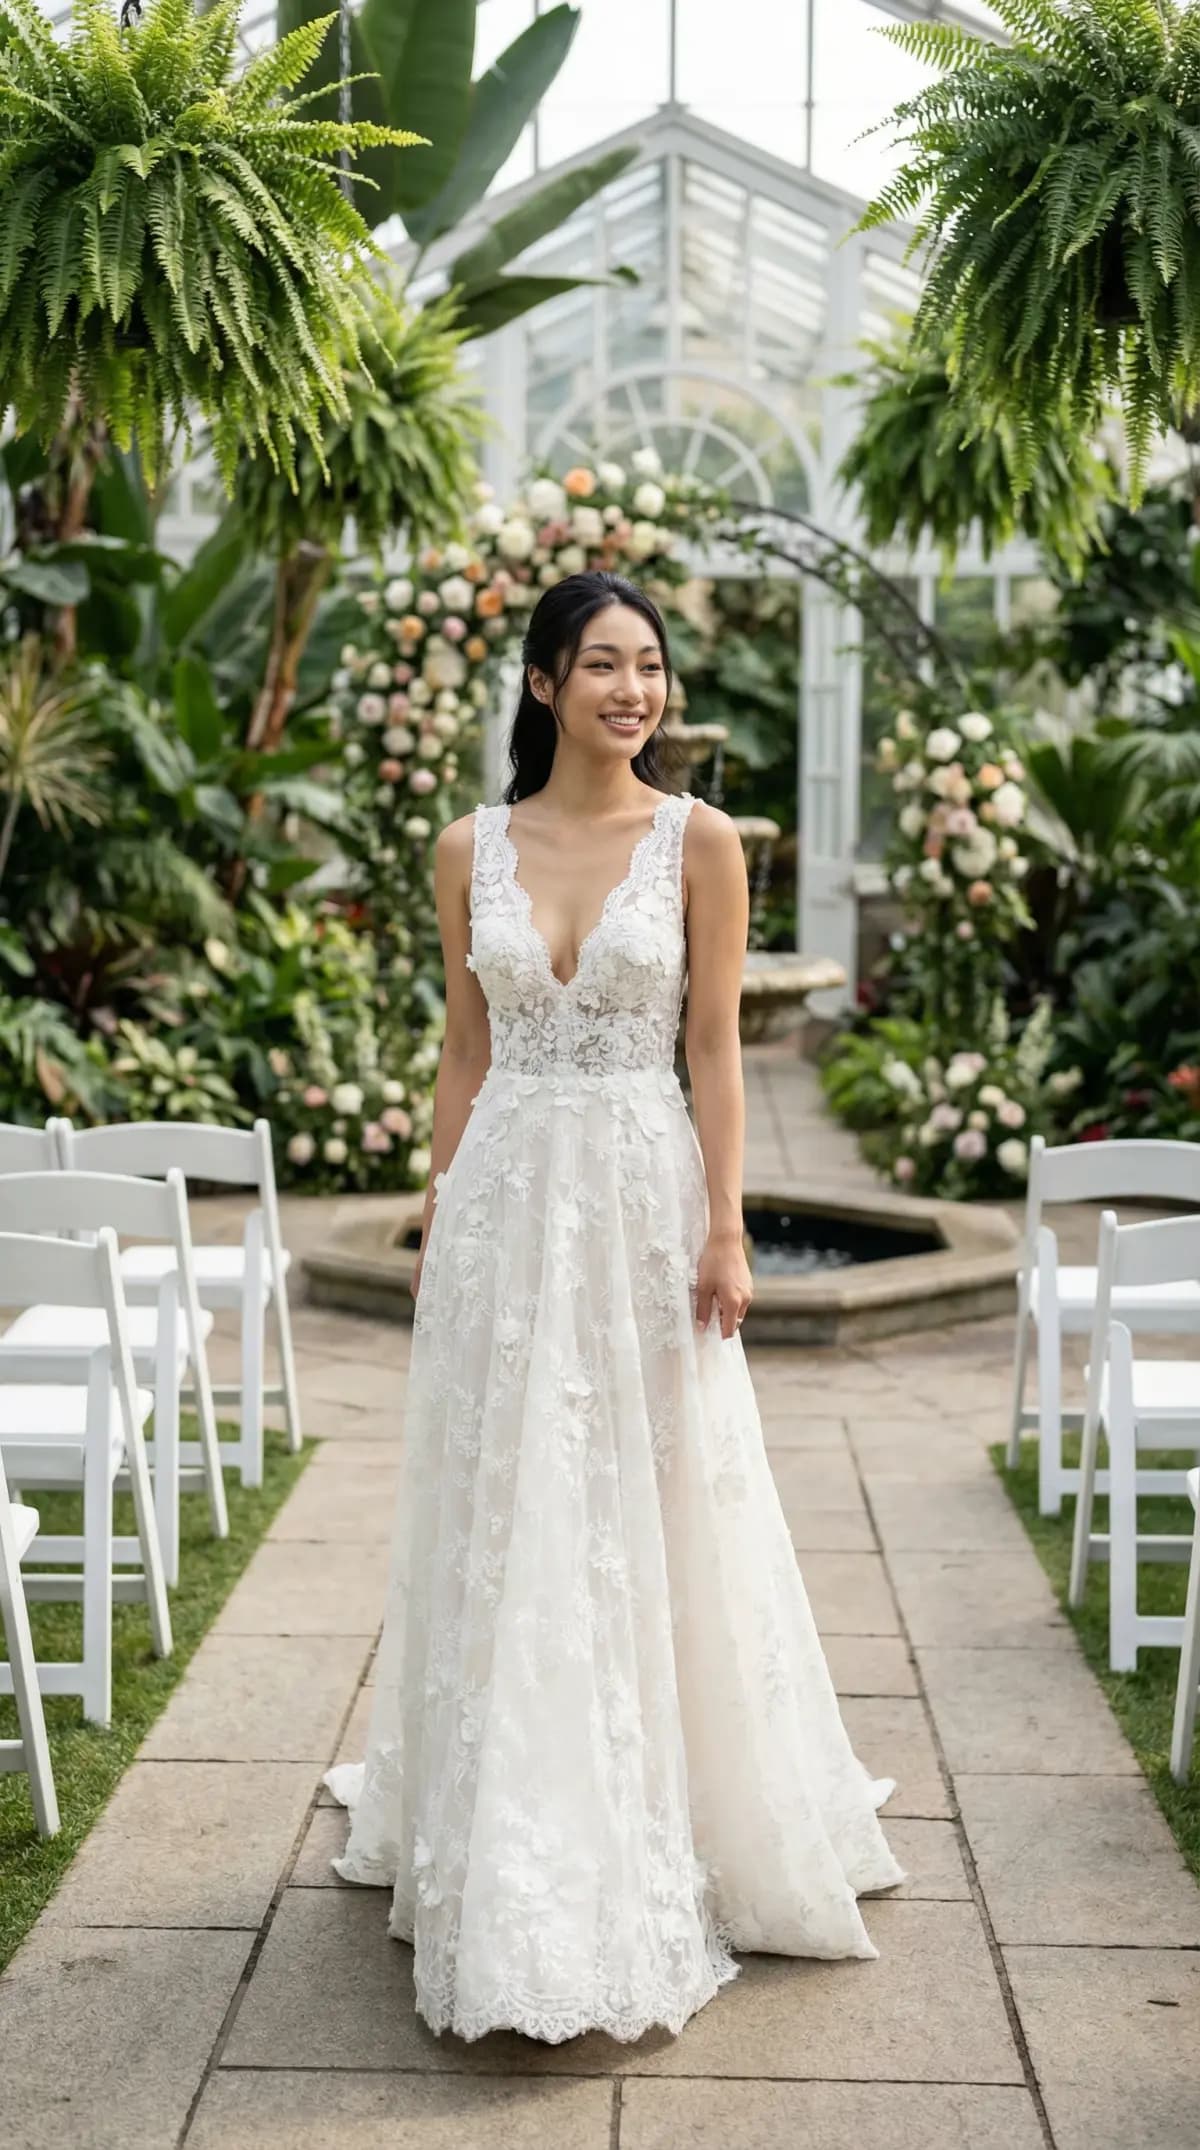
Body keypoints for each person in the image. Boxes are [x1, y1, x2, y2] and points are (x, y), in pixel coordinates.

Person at [325, 568, 903, 2045]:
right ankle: (504, 1808)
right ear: (543, 682)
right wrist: (439, 1209)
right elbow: (466, 1046)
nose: (632, 689)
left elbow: (715, 1048)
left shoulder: (700, 841)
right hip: (506, 1202)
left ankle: (682, 1798)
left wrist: (728, 1224)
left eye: (649, 665)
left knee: (654, 1486)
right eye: (602, 663)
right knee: (509, 1487)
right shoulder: (467, 847)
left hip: (645, 1199)